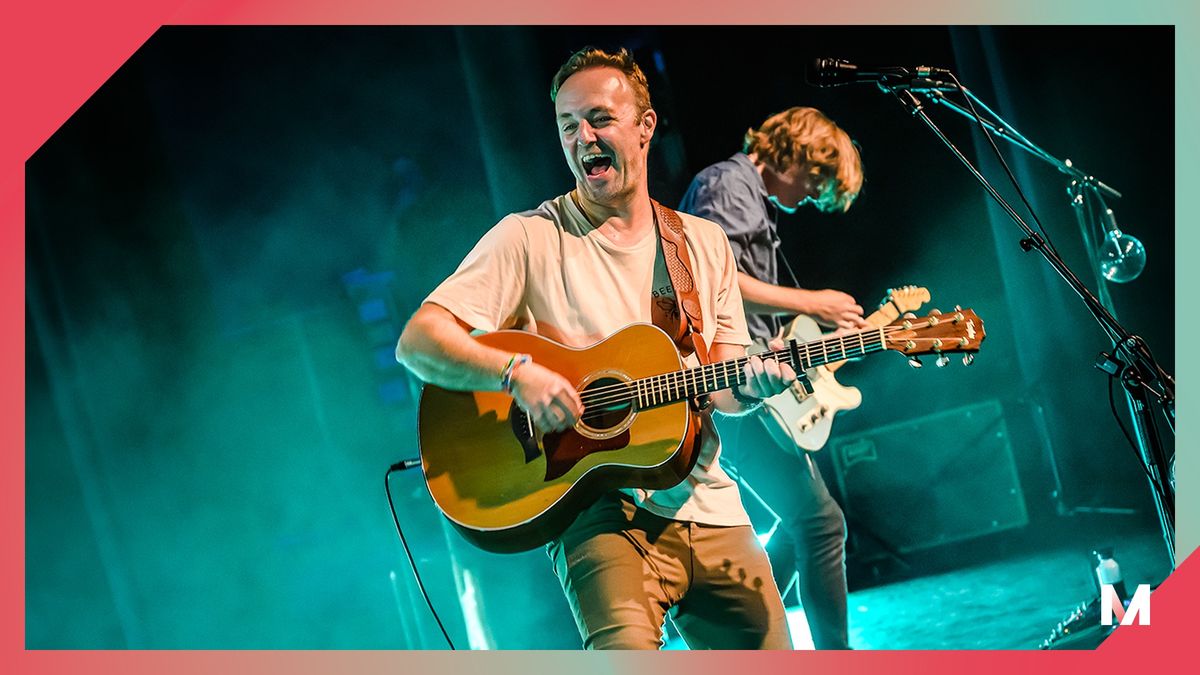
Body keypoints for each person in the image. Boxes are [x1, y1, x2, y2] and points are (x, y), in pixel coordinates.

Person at [396, 47, 798, 650]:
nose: (583, 137)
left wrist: (758, 386)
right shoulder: (530, 238)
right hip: (598, 515)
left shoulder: (702, 243)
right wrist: (514, 374)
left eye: (600, 119)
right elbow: (418, 341)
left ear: (645, 127)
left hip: (708, 501)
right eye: (568, 126)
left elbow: (725, 385)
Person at [678, 106, 867, 650]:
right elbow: (716, 282)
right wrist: (814, 303)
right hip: (727, 387)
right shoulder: (727, 184)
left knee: (806, 523)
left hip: (750, 382)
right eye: (814, 177)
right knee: (820, 524)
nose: (811, 193)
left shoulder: (747, 195)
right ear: (793, 152)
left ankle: (738, 640)